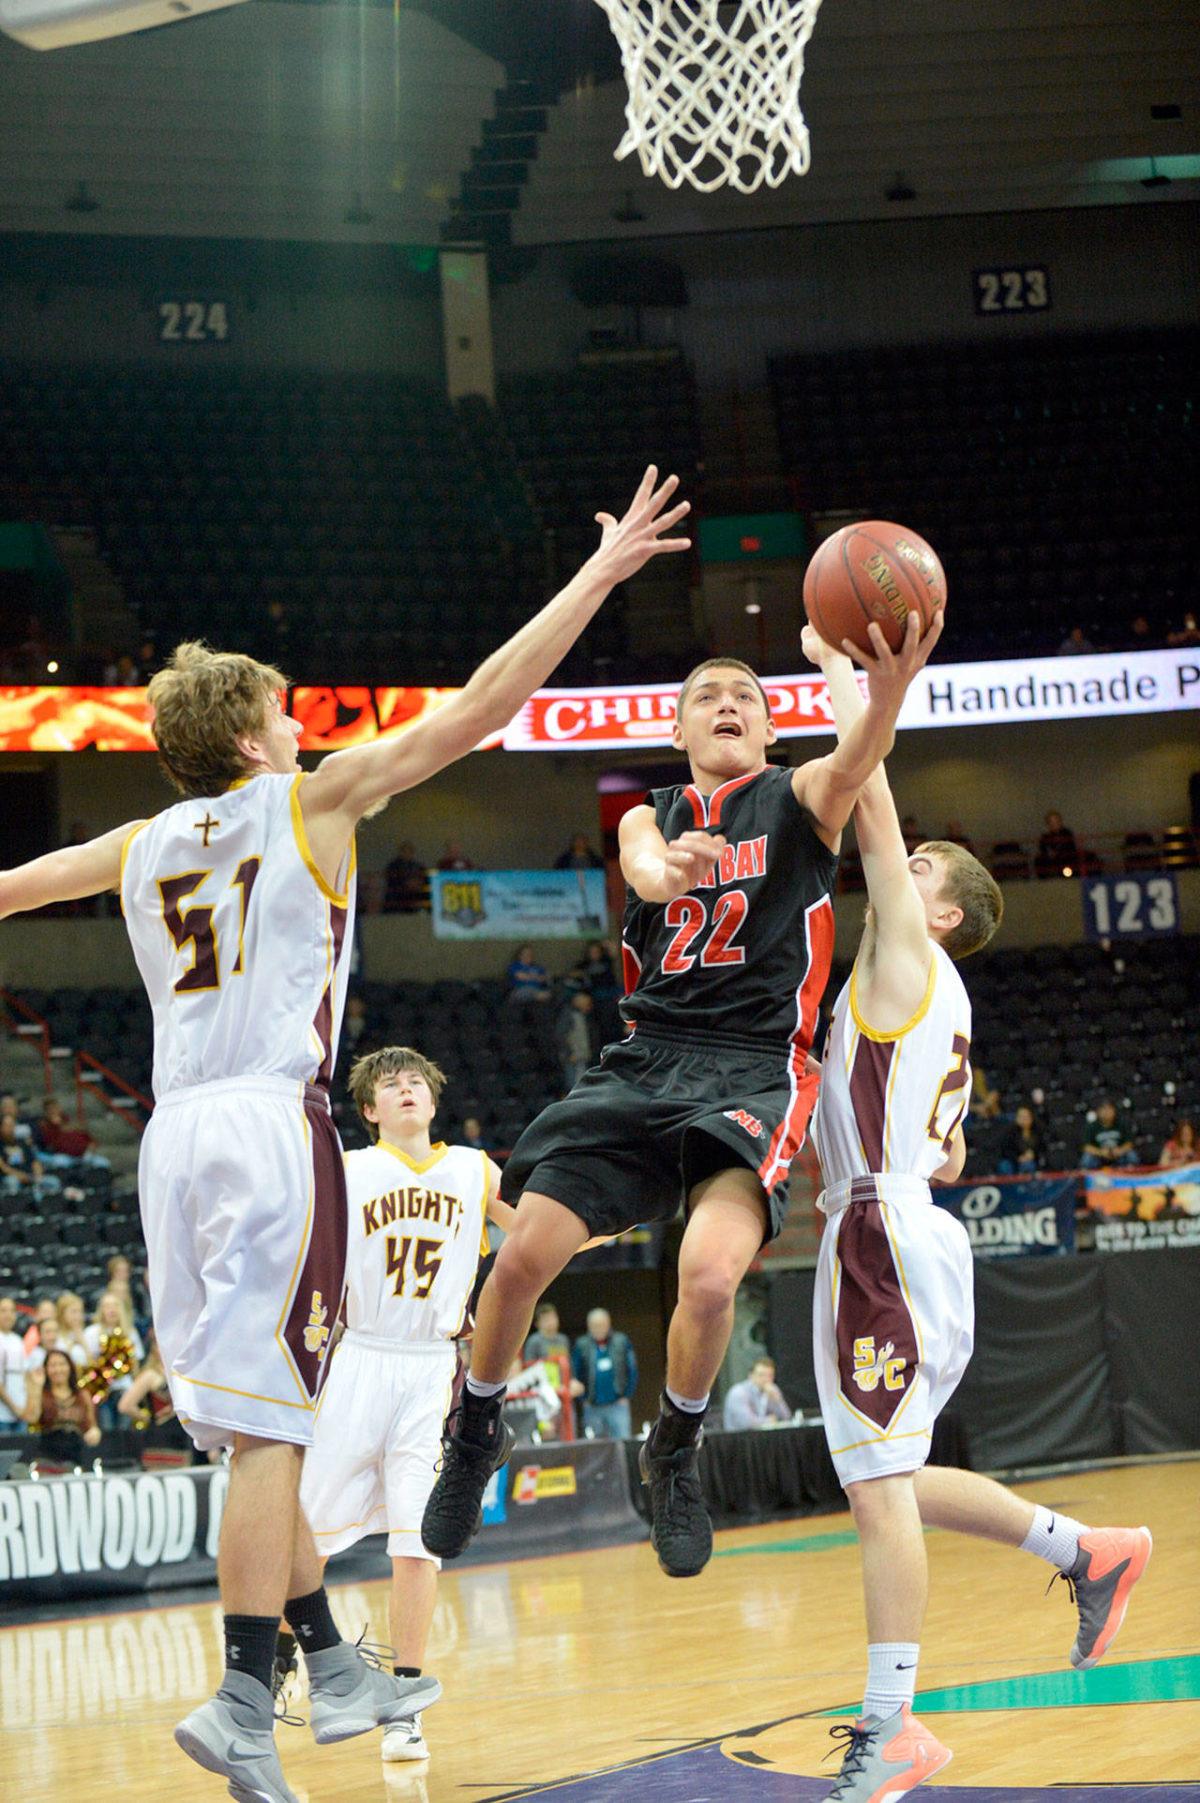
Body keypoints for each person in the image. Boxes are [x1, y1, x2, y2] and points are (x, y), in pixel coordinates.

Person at [0, 464, 690, 1803]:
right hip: (269, 1125)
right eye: (282, 706)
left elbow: (14, 885)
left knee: (246, 1431)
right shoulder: (309, 801)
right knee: (274, 1439)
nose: (298, 718)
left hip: (171, 1137)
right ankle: (247, 1695)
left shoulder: (142, 843)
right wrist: (597, 578)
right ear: (252, 738)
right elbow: (487, 706)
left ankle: (332, 1654)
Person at [422, 608, 943, 1580]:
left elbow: (862, 753)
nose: (727, 704)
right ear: (678, 731)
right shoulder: (647, 812)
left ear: (768, 726)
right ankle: (476, 1430)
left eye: (745, 694)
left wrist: (885, 689)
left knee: (708, 1277)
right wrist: (666, 876)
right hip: (646, 1056)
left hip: (754, 1062)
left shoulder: (800, 797)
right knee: (523, 1253)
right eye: (706, 696)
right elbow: (644, 866)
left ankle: (677, 1453)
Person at [807, 624, 1150, 1801]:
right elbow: (938, 1139)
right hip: (894, 1225)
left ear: (941, 913)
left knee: (876, 1489)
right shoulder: (912, 987)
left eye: (925, 877)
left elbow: (871, 802)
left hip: (886, 1240)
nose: (905, 880)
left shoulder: (909, 953)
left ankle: (894, 1725)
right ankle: (1088, 1550)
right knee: (884, 1476)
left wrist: (841, 671)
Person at [296, 1046, 520, 1766]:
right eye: (389, 1085)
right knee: (304, 1534)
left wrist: (609, 1216)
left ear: (434, 1097)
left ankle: (406, 1704)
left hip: (430, 1368)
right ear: (368, 1110)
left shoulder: (473, 1167)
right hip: (357, 1357)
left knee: (418, 1541)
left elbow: (538, 1231)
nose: (406, 1089)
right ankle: (271, 1659)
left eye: (416, 1080)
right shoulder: (349, 1169)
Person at [83, 1289, 145, 1431]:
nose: (111, 1310)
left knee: (124, 1430)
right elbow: (89, 1362)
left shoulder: (130, 1332)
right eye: (107, 1306)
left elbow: (135, 1365)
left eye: (115, 1305)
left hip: (125, 1389)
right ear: (101, 1310)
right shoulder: (92, 1332)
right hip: (102, 1391)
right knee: (107, 1428)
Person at [572, 1308, 638, 1439]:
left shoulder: (621, 1341)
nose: (599, 1328)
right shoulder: (582, 1344)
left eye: (602, 1324)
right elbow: (575, 1373)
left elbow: (632, 1370)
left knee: (622, 1442)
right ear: (589, 1326)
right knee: (595, 1447)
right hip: (592, 1406)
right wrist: (583, 1398)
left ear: (608, 1323)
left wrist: (627, 1395)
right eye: (595, 1325)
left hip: (617, 1404)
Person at [24, 1346, 102, 1451]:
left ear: (70, 1367)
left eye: (62, 1364)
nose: (58, 1370)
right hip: (47, 1453)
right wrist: (37, 1388)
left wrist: (95, 1432)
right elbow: (32, 1418)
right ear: (46, 1369)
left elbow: (92, 1425)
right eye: (53, 1365)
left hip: (78, 1451)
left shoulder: (83, 1395)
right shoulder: (42, 1394)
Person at [722, 1355, 790, 1430]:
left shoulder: (772, 1390)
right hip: (738, 1438)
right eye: (761, 1375)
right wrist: (769, 1420)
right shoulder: (738, 1393)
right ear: (751, 1375)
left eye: (770, 1376)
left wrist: (777, 1400)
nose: (766, 1379)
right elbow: (747, 1423)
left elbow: (786, 1417)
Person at [1081, 1098, 1139, 1169]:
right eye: (1103, 1109)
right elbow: (1087, 1147)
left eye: (1109, 1109)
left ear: (1114, 1111)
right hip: (1099, 1156)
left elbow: (1129, 1143)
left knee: (1131, 1155)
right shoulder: (1092, 1126)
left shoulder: (1122, 1124)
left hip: (1118, 1154)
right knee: (1087, 1158)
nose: (1106, 1112)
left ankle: (1132, 1173)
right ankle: (1088, 1176)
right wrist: (1101, 1152)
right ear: (1098, 1112)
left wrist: (1120, 1150)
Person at [0, 1295, 28, 1434]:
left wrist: (23, 1408)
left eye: (11, 1311)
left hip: (21, 1411)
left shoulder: (18, 1340)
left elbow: (25, 1375)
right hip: (2, 1414)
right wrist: (14, 1407)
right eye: (3, 1310)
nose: (8, 1315)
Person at [558, 991, 596, 1091]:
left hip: (582, 1056)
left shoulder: (583, 1016)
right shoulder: (569, 1015)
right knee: (573, 1085)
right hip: (573, 1056)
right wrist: (568, 1052)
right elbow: (561, 1035)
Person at [997, 1103, 1046, 1174]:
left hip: (1033, 1160)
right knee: (1004, 1166)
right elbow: (1006, 1150)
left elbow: (1043, 1147)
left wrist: (1034, 1154)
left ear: (1031, 1117)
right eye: (1021, 1117)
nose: (1023, 1119)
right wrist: (1018, 1158)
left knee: (1028, 1165)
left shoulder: (1038, 1130)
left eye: (1026, 1117)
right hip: (1014, 1160)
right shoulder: (1010, 1131)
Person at [383, 840, 428, 914]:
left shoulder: (418, 866)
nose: (407, 854)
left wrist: (418, 883)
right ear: (401, 852)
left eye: (410, 851)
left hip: (416, 891)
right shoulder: (393, 866)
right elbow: (391, 879)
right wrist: (406, 883)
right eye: (405, 851)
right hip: (400, 891)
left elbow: (425, 877)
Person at [1035, 809, 1078, 878]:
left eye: (1056, 821)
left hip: (1065, 861)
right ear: (1048, 824)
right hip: (1051, 862)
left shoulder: (1067, 833)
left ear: (1060, 822)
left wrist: (1058, 852)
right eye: (1051, 822)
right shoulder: (1045, 837)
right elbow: (1042, 850)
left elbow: (1071, 848)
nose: (1054, 824)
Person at [56, 1290, 90, 1367]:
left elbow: (92, 1364)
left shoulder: (87, 1333)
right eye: (74, 1312)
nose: (78, 1316)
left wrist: (82, 1342)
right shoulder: (56, 1335)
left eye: (80, 1311)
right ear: (62, 1314)